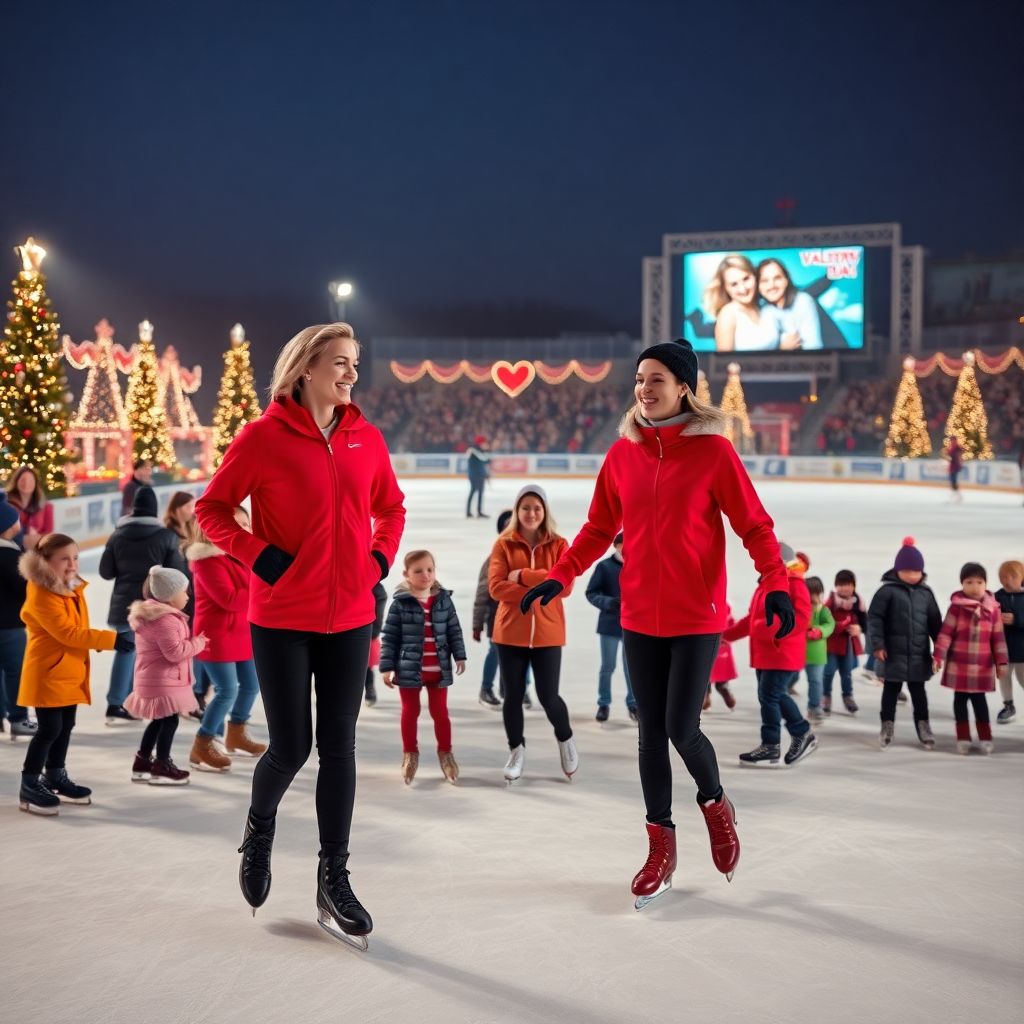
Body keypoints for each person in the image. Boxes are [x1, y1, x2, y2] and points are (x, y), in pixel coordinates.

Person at [521, 339, 795, 908]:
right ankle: (660, 845)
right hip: (639, 615)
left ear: (684, 389)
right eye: (640, 379)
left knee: (681, 729)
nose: (645, 389)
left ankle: (717, 806)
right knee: (650, 734)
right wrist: (562, 574)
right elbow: (598, 529)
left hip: (697, 617)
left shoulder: (714, 453)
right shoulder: (623, 455)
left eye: (657, 380)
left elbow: (755, 526)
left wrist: (776, 583)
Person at [195, 321, 405, 950]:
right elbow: (212, 508)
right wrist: (254, 553)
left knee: (339, 748)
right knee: (291, 748)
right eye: (339, 361)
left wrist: (375, 563)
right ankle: (259, 831)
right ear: (306, 367)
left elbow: (390, 509)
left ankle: (333, 877)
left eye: (355, 362)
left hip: (348, 617)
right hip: (281, 618)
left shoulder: (366, 439)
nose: (350, 372)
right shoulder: (262, 438)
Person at [16, 533, 129, 814]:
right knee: (49, 728)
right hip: (48, 672)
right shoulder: (42, 592)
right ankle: (29, 783)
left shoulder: (69, 587)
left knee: (65, 726)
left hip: (68, 670)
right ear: (45, 561)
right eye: (64, 559)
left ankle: (55, 775)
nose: (72, 564)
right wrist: (111, 640)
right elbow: (68, 633)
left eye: (75, 558)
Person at [490, 484, 576, 785]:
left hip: (548, 633)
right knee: (512, 696)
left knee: (548, 696)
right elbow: (496, 587)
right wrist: (545, 583)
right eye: (525, 508)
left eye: (536, 508)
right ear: (517, 511)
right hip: (510, 632)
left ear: (545, 511)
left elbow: (565, 586)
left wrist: (523, 576)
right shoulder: (503, 544)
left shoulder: (560, 544)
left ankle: (565, 740)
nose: (531, 513)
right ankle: (516, 751)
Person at [99, 485, 188, 724]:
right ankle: (124, 702)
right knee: (145, 656)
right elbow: (177, 575)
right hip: (153, 607)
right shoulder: (166, 537)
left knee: (127, 652)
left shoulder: (117, 535)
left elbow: (105, 572)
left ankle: (119, 703)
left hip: (124, 605)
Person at [186, 510, 266, 772]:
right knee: (227, 690)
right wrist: (264, 584)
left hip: (243, 631)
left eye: (246, 524)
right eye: (237, 525)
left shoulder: (243, 556)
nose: (244, 530)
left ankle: (236, 733)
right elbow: (229, 599)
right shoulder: (206, 561)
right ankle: (203, 742)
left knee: (252, 685)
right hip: (217, 634)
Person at [380, 550, 467, 785]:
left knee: (440, 713)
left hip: (438, 670)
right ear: (406, 575)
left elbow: (454, 630)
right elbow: (390, 637)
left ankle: (446, 754)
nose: (425, 575)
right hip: (409, 670)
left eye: (429, 569)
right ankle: (410, 754)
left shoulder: (443, 601)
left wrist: (459, 656)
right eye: (418, 571)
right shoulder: (400, 604)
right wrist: (387, 667)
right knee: (410, 712)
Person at [726, 542, 816, 768]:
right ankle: (795, 735)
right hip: (766, 654)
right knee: (772, 696)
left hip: (782, 653)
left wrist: (762, 629)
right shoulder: (765, 585)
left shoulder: (795, 584)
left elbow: (801, 619)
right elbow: (750, 619)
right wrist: (724, 636)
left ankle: (777, 742)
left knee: (771, 695)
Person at [125, 566, 206, 785]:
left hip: (158, 679)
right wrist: (197, 643)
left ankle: (142, 761)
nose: (187, 596)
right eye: (184, 592)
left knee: (160, 721)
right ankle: (162, 765)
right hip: (163, 680)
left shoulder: (157, 616)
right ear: (169, 596)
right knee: (169, 721)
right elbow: (175, 653)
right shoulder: (165, 620)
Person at [867, 537, 943, 750]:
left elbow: (935, 623)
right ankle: (887, 725)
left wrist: (939, 650)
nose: (912, 575)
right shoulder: (887, 591)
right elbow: (874, 619)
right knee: (891, 691)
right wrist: (878, 645)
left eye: (916, 571)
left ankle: (923, 725)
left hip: (919, 654)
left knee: (919, 693)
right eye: (907, 571)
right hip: (892, 654)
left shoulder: (926, 594)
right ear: (897, 570)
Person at [934, 562, 1008, 755]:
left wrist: (1001, 662)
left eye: (979, 582)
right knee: (960, 701)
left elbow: (998, 637)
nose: (975, 587)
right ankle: (963, 737)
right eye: (969, 582)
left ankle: (985, 737)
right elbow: (945, 634)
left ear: (985, 584)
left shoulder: (992, 609)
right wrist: (938, 656)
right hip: (959, 663)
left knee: (980, 702)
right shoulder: (956, 608)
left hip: (982, 665)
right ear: (962, 584)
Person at [585, 532, 637, 723]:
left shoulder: (639, 564)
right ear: (615, 546)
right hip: (609, 625)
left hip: (634, 625)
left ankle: (633, 704)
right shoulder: (604, 567)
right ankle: (603, 703)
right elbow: (591, 592)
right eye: (623, 545)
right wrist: (608, 603)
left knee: (631, 667)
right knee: (608, 666)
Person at [0, 495, 34, 737]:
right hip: (11, 626)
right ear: (8, 526)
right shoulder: (12, 557)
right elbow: (26, 592)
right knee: (16, 672)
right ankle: (19, 718)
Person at [703, 254, 782, 352]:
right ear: (726, 288)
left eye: (746, 279)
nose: (743, 289)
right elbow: (724, 364)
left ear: (754, 276)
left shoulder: (764, 307)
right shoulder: (728, 315)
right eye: (734, 284)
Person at [472, 510, 511, 708]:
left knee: (521, 653)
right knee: (496, 651)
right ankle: (486, 688)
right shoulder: (495, 557)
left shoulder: (530, 554)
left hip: (521, 616)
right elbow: (482, 592)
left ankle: (512, 688)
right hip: (497, 615)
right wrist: (477, 623)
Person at [823, 569, 867, 715]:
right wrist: (840, 625)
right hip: (831, 644)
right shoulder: (831, 602)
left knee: (846, 672)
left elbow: (866, 623)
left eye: (847, 584)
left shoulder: (858, 602)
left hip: (847, 644)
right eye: (840, 585)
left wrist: (858, 628)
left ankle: (848, 696)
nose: (844, 588)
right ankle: (826, 696)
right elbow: (824, 621)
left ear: (854, 586)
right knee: (828, 671)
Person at [756, 259, 823, 350]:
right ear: (758, 286)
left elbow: (813, 346)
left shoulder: (803, 301)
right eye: (764, 281)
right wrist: (781, 348)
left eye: (777, 278)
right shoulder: (765, 310)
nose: (771, 285)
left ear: (786, 280)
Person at [994, 559, 1024, 723]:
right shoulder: (997, 597)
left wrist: (1016, 619)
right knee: (1004, 677)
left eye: (1012, 576)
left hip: (1021, 650)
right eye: (1003, 576)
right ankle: (1008, 705)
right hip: (1003, 651)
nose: (1007, 580)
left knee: (1022, 678)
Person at [803, 576, 835, 723]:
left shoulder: (823, 609)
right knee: (790, 676)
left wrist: (819, 631)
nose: (814, 597)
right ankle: (784, 693)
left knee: (815, 681)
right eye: (811, 593)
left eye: (817, 593)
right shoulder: (800, 608)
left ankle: (814, 707)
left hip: (817, 653)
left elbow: (830, 625)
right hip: (798, 652)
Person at [5, 466, 53, 551]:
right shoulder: (6, 503)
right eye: (23, 480)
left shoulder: (45, 505)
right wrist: (24, 538)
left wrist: (36, 538)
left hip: (36, 551)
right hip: (12, 550)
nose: (26, 483)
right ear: (16, 482)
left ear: (35, 483)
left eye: (31, 480)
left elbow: (49, 534)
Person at [704, 602, 737, 711]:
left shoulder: (702, 604)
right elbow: (732, 623)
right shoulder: (724, 605)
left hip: (707, 643)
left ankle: (705, 695)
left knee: (705, 674)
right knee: (720, 676)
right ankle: (724, 687)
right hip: (722, 643)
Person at [365, 582, 387, 707]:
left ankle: (369, 689)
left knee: (366, 665)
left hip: (367, 632)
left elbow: (381, 597)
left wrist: (374, 631)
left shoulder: (376, 589)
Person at [466, 435, 490, 518]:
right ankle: (470, 511)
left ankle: (477, 511)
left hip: (479, 475)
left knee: (479, 492)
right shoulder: (473, 450)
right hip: (474, 475)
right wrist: (486, 451)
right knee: (473, 491)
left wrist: (486, 474)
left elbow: (486, 462)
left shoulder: (479, 450)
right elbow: (484, 459)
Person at [945, 436, 964, 503]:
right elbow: (949, 456)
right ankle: (956, 495)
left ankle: (957, 496)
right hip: (952, 466)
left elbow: (959, 456)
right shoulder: (952, 447)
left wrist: (960, 463)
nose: (951, 441)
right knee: (952, 481)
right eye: (951, 440)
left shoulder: (957, 447)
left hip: (955, 466)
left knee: (954, 481)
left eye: (952, 440)